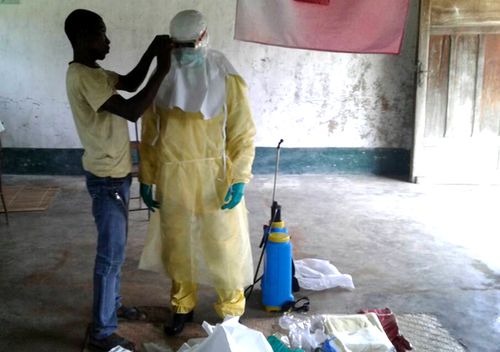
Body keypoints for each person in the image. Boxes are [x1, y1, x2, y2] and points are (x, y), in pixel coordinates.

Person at [138, 9, 256, 336]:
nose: (185, 52)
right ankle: (181, 306)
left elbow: (242, 132)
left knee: (224, 244)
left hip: (215, 174)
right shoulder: (161, 76)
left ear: (204, 37)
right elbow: (149, 132)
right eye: (179, 46)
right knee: (178, 244)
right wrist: (146, 177)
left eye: (190, 45)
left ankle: (231, 311)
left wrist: (239, 177)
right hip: (172, 173)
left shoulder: (225, 75)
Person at [64, 9, 172, 351]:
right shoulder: (84, 77)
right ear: (82, 39)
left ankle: (112, 307)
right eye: (101, 34)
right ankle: (102, 334)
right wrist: (164, 69)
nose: (107, 40)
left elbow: (131, 81)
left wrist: (153, 54)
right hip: (107, 180)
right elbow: (132, 108)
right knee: (109, 257)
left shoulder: (95, 73)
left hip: (114, 176)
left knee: (116, 252)